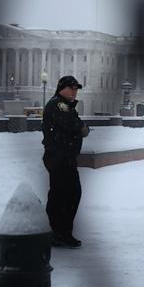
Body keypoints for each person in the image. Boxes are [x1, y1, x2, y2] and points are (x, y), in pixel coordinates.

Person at [42, 75, 90, 248]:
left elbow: (77, 124)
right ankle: (59, 232)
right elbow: (73, 124)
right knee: (65, 194)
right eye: (71, 88)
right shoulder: (58, 105)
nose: (74, 92)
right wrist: (82, 128)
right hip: (59, 157)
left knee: (63, 195)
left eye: (76, 89)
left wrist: (81, 127)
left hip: (64, 157)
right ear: (62, 88)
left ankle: (58, 231)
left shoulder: (65, 105)